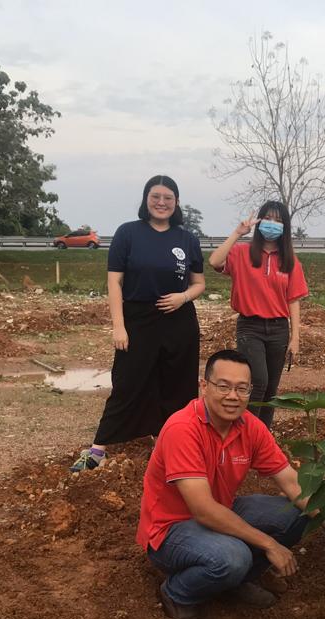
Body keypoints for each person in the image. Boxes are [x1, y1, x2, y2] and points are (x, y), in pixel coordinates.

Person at [137, 349, 325, 619]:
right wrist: (269, 544)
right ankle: (177, 593)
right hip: (171, 530)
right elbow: (203, 510)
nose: (233, 396)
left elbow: (292, 483)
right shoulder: (183, 429)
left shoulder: (250, 427)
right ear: (204, 387)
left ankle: (235, 581)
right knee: (234, 557)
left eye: (242, 389)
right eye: (223, 386)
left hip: (221, 511)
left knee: (296, 515)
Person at [70, 175, 205, 472]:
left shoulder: (187, 239)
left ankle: (171, 444)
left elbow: (199, 283)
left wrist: (183, 297)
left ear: (177, 202)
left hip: (179, 320)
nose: (161, 202)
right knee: (128, 382)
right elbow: (114, 282)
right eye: (155, 196)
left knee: (177, 385)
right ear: (146, 199)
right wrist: (119, 325)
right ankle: (98, 449)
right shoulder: (128, 233)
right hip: (138, 320)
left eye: (168, 197)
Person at [208, 201, 308, 428]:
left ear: (285, 226)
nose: (273, 224)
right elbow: (214, 261)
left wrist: (295, 337)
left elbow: (293, 300)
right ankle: (246, 432)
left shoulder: (290, 261)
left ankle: (263, 436)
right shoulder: (242, 252)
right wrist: (238, 232)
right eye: (268, 218)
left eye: (278, 220)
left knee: (271, 389)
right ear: (260, 221)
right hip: (250, 327)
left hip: (278, 329)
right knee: (258, 382)